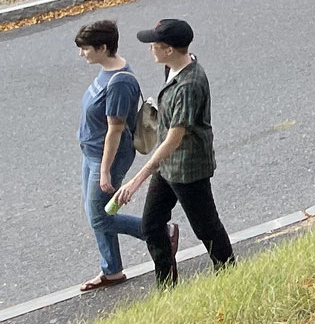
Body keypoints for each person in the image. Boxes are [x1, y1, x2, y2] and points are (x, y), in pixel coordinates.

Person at [111, 18, 235, 285]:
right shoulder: (174, 67)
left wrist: (136, 180)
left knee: (206, 227)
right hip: (168, 166)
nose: (150, 49)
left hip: (187, 168)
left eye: (154, 45)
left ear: (169, 49)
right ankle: (166, 286)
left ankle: (230, 274)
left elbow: (174, 138)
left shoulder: (189, 85)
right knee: (151, 224)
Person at [74, 19, 148, 290]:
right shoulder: (108, 70)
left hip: (107, 157)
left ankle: (158, 232)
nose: (82, 54)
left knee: (100, 216)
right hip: (91, 152)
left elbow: (115, 130)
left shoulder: (118, 83)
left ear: (103, 47)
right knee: (94, 212)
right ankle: (112, 270)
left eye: (85, 49)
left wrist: (105, 170)